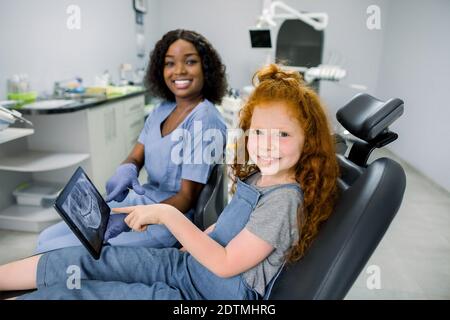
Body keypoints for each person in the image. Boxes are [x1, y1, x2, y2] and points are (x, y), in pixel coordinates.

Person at [0, 64, 339, 300]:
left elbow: (225, 264)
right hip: (187, 268)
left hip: (204, 294)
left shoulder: (284, 200)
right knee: (87, 259)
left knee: (86, 293)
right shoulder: (259, 177)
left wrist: (166, 216)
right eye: (259, 132)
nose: (266, 144)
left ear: (308, 139)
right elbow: (226, 230)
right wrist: (193, 239)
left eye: (282, 134)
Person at [35, 29, 228, 253]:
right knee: (46, 237)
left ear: (206, 67)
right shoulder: (161, 110)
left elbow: (186, 197)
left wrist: (136, 218)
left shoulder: (204, 119)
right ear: (160, 70)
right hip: (139, 201)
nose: (179, 71)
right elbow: (137, 154)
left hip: (166, 219)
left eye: (191, 61)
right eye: (169, 63)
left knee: (53, 249)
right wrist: (127, 168)